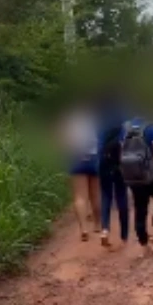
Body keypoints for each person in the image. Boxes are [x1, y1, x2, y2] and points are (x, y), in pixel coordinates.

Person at [121, 115, 153, 252]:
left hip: (132, 175)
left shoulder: (125, 127)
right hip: (150, 174)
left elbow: (121, 151)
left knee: (140, 207)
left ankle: (144, 244)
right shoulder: (151, 128)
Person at [60, 102, 101, 242]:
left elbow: (66, 144)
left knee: (80, 197)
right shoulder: (96, 122)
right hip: (94, 159)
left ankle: (84, 229)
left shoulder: (71, 122)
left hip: (77, 159)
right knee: (95, 195)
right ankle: (98, 224)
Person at [95, 92, 131, 248]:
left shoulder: (99, 119)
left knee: (106, 195)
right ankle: (124, 236)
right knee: (121, 195)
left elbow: (98, 143)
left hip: (103, 161)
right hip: (120, 161)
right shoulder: (122, 116)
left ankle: (105, 229)